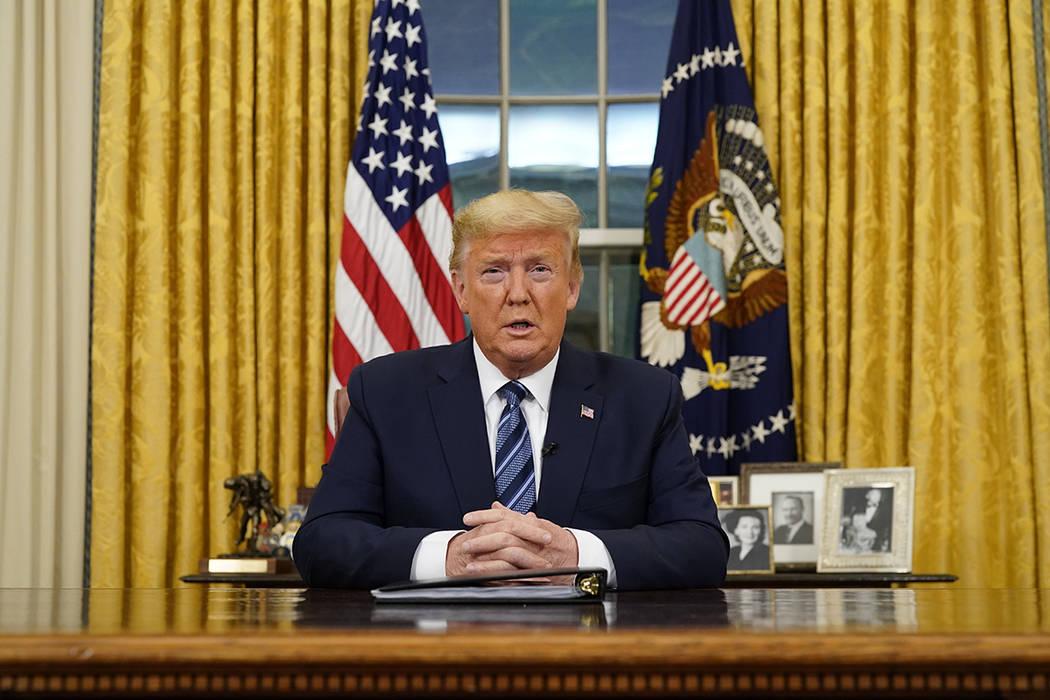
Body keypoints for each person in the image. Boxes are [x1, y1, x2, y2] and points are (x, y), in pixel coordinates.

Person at [293, 189, 729, 590]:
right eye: (494, 272)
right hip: (432, 657)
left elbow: (702, 546)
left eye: (540, 269)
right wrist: (450, 558)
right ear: (461, 290)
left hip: (591, 656)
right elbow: (322, 542)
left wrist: (575, 556)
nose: (517, 294)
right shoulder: (385, 392)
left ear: (572, 287)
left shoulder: (644, 397)